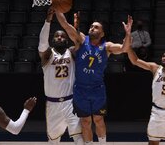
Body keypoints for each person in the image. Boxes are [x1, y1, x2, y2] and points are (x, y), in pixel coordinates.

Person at [54, 10, 133, 145]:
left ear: (102, 33)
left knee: (98, 120)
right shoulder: (81, 40)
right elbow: (65, 24)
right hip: (80, 89)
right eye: (91, 26)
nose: (92, 28)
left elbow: (124, 49)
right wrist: (56, 7)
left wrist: (128, 33)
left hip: (97, 89)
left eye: (96, 27)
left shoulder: (106, 47)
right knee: (85, 121)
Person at [38, 7, 84, 145]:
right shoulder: (47, 55)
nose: (59, 37)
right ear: (53, 40)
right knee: (53, 140)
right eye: (57, 36)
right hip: (53, 104)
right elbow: (42, 44)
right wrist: (48, 21)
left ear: (66, 40)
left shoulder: (71, 52)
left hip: (71, 102)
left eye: (62, 36)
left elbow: (80, 43)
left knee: (79, 138)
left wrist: (76, 28)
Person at [127, 46, 165, 145]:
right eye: (163, 56)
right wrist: (128, 48)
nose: (164, 58)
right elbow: (135, 61)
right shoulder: (156, 68)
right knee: (152, 142)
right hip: (157, 112)